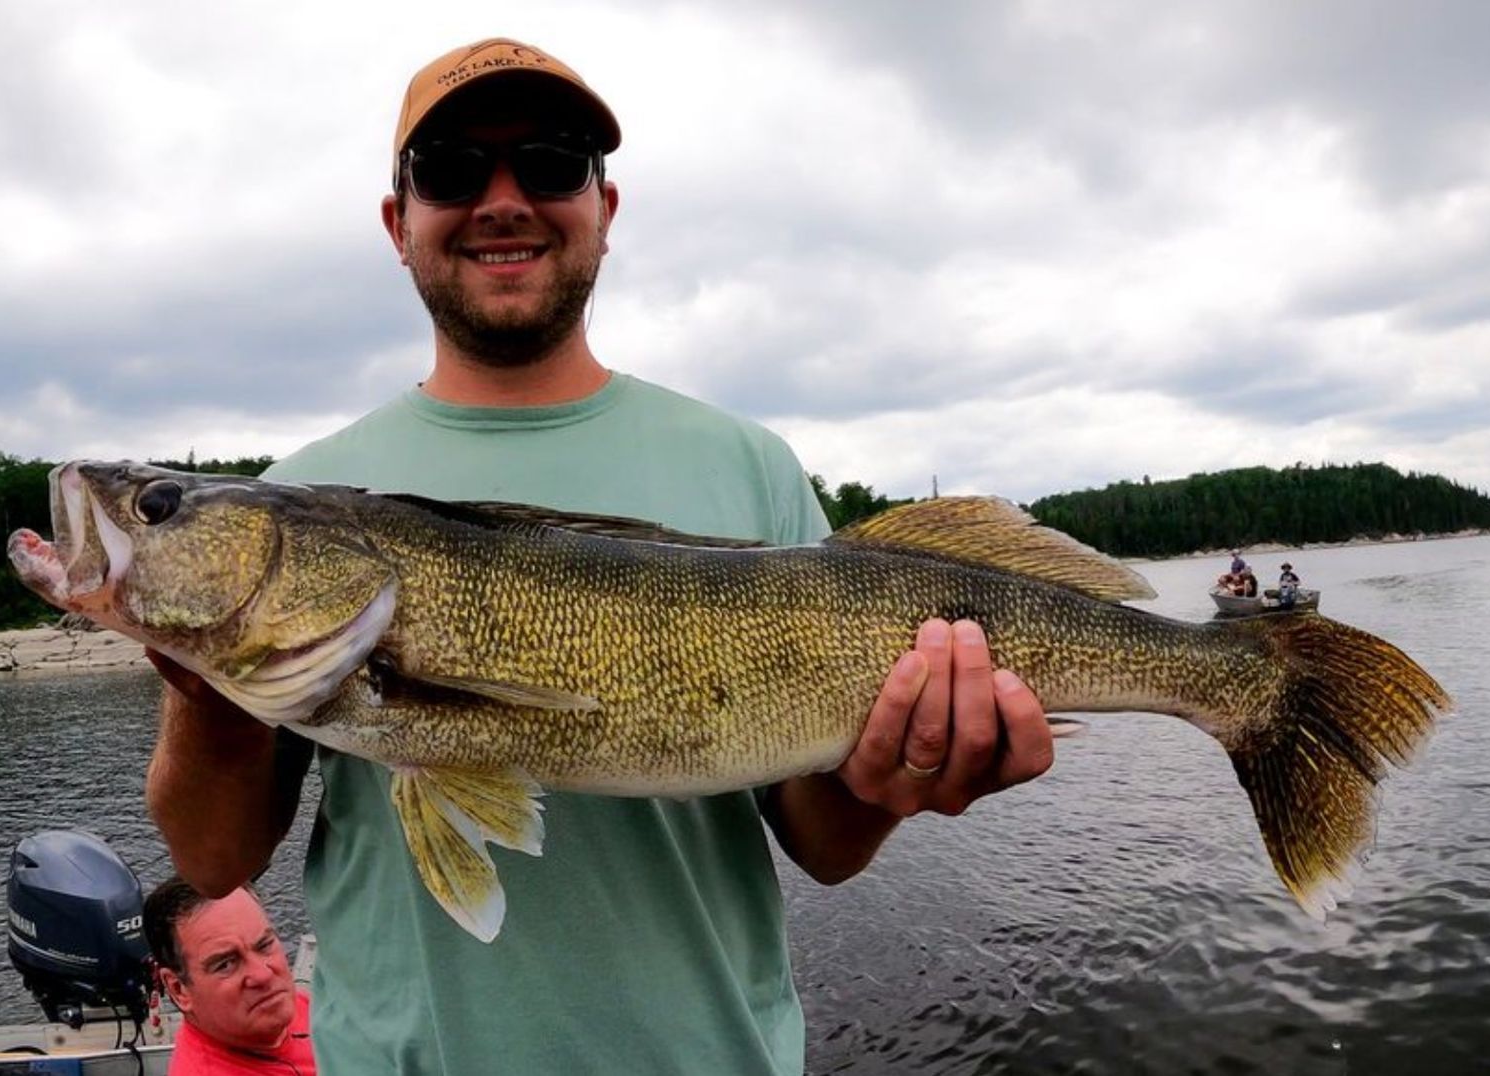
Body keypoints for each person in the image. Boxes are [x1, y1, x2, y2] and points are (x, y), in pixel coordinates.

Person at [145, 37, 1055, 1074]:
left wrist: (905, 771)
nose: (502, 199)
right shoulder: (305, 484)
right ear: (400, 224)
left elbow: (826, 845)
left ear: (604, 210)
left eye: (548, 161)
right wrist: (205, 675)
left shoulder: (747, 464)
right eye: (451, 170)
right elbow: (214, 858)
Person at [143, 876, 315, 1076]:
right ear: (178, 989)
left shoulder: (290, 1009)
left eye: (264, 945)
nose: (263, 975)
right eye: (226, 964)